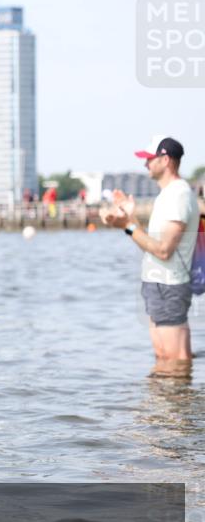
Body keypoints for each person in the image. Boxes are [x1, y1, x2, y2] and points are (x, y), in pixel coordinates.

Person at [102, 136, 197, 377]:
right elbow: (152, 244)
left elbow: (164, 250)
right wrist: (130, 220)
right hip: (160, 284)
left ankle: (176, 412)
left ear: (165, 160)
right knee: (164, 358)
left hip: (169, 284)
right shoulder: (168, 194)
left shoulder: (178, 194)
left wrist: (129, 225)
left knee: (175, 361)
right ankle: (166, 411)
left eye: (149, 160)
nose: (145, 165)